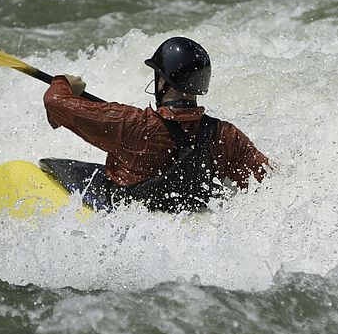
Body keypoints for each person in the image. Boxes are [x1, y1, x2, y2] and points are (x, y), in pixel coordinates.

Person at [42, 36, 269, 213]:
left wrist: (65, 82)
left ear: (162, 82)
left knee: (49, 164)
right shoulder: (225, 135)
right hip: (188, 208)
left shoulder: (133, 124)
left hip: (129, 210)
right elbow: (265, 180)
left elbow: (55, 102)